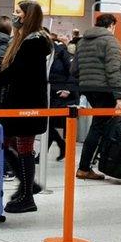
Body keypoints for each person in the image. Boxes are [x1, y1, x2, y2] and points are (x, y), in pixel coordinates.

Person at [0, 0, 52, 213]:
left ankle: (27, 196)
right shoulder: (27, 40)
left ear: (28, 16)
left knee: (23, 146)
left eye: (18, 12)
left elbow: (14, 73)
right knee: (5, 142)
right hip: (21, 102)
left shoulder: (33, 43)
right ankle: (28, 186)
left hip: (27, 104)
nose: (14, 15)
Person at [72, 13, 121, 180]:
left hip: (88, 88)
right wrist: (119, 96)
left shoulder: (82, 42)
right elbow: (113, 70)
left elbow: (74, 70)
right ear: (111, 25)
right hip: (105, 90)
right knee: (99, 126)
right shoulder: (110, 41)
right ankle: (84, 167)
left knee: (100, 123)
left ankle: (90, 164)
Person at [47, 32, 78, 161]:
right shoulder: (43, 54)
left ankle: (48, 151)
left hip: (61, 95)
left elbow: (73, 71)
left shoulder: (61, 53)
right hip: (49, 93)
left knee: (49, 123)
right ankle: (61, 145)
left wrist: (68, 89)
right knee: (49, 124)